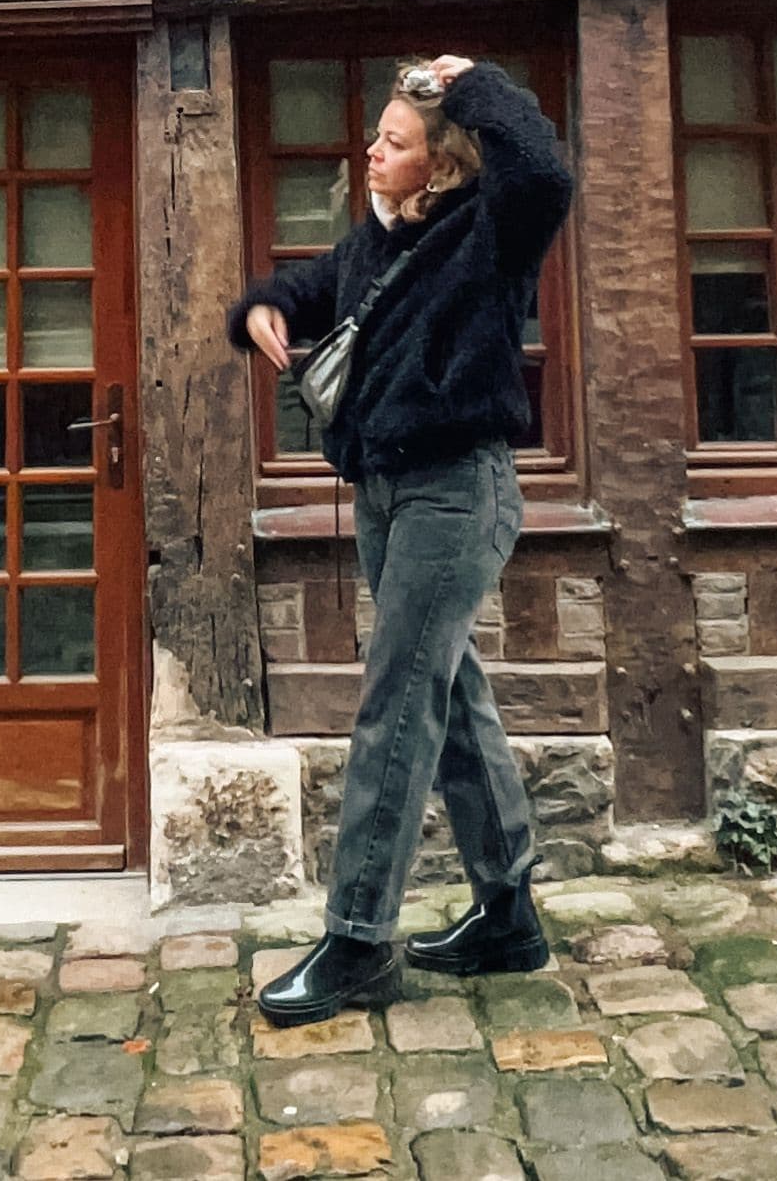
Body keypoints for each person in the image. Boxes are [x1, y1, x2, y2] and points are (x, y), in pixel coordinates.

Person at [227, 53, 575, 1024]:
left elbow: (545, 173)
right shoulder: (378, 239)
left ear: (443, 158)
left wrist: (474, 84)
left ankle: (358, 941)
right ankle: (507, 915)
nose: (370, 150)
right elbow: (312, 284)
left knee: (393, 706)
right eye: (375, 136)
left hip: (455, 492)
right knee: (450, 695)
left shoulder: (491, 232)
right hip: (384, 494)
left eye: (393, 141)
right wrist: (260, 305)